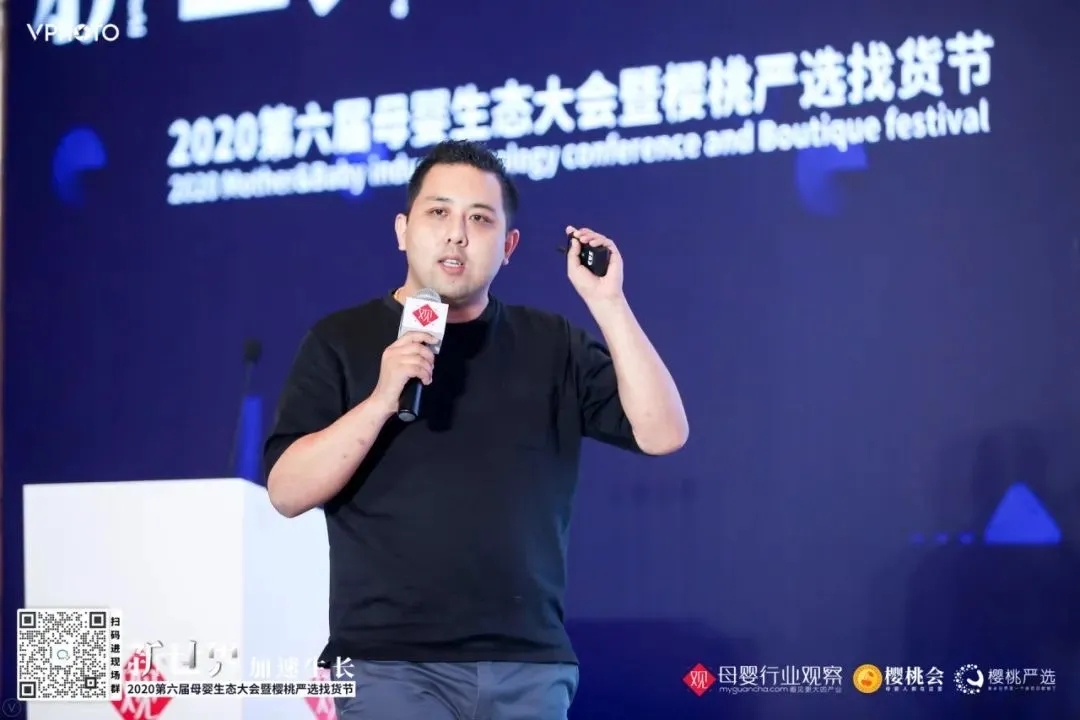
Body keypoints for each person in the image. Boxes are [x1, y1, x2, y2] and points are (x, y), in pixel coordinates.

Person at [263, 139, 688, 720]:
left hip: (528, 666)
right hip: (389, 664)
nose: (457, 235)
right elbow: (286, 492)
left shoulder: (552, 343)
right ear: (403, 231)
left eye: (480, 219)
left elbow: (664, 433)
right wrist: (381, 400)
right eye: (438, 212)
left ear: (508, 246)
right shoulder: (340, 340)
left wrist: (608, 302)